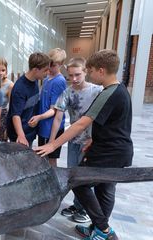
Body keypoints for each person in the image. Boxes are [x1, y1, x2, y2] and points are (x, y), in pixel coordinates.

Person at [35, 50, 132, 240]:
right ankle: (98, 228)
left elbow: (81, 123)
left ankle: (104, 231)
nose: (90, 74)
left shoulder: (108, 93)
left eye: (91, 70)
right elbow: (115, 124)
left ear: (101, 71)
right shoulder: (120, 90)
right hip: (115, 150)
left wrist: (53, 145)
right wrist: (94, 139)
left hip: (109, 153)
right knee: (104, 189)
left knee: (76, 181)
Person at [50, 57, 102, 223]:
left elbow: (103, 119)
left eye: (77, 74)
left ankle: (87, 209)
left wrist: (95, 139)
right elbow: (58, 118)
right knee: (74, 176)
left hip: (92, 143)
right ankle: (77, 205)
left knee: (87, 178)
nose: (74, 79)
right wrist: (52, 143)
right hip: (74, 141)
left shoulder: (98, 91)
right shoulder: (68, 92)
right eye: (70, 75)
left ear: (86, 71)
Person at [28, 48, 67, 166]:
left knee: (51, 159)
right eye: (48, 65)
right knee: (43, 158)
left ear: (61, 64)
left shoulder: (59, 81)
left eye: (53, 65)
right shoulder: (46, 79)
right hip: (43, 127)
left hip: (51, 129)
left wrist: (39, 117)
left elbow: (54, 110)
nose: (49, 68)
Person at [6, 52, 50, 147]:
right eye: (45, 70)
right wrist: (21, 135)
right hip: (19, 135)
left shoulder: (35, 81)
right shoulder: (20, 88)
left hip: (29, 131)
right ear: (35, 70)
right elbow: (15, 115)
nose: (47, 73)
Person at [0, 57, 14, 142]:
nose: (1, 73)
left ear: (6, 71)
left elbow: (12, 107)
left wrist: (8, 127)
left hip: (3, 116)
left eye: (3, 70)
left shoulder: (10, 85)